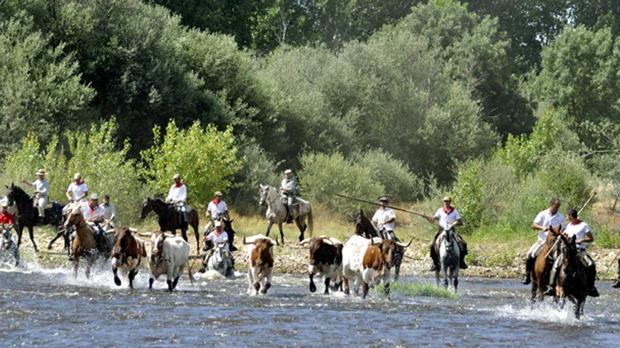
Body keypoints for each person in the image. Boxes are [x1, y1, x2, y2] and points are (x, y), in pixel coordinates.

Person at [545, 209, 599, 297]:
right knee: (556, 265)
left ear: (570, 216)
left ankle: (591, 287)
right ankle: (551, 287)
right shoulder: (568, 225)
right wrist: (562, 237)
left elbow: (591, 239)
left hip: (579, 250)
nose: (566, 217)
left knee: (591, 264)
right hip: (567, 251)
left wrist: (582, 240)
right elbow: (565, 236)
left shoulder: (584, 225)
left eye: (567, 216)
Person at [521, 198, 564, 285]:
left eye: (558, 207)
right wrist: (542, 228)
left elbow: (563, 229)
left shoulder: (561, 217)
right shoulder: (543, 214)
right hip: (542, 241)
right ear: (551, 205)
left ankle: (560, 278)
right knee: (529, 254)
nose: (556, 209)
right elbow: (533, 225)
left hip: (555, 242)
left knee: (563, 257)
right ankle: (527, 274)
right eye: (555, 207)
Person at [425, 196, 468, 271]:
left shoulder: (454, 211)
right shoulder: (440, 210)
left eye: (447, 201)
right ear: (443, 202)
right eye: (445, 201)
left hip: (452, 230)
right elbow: (433, 220)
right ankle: (435, 263)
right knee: (432, 245)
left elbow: (460, 222)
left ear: (450, 202)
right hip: (442, 230)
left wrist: (453, 224)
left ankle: (461, 261)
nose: (446, 203)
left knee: (463, 244)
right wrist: (426, 217)